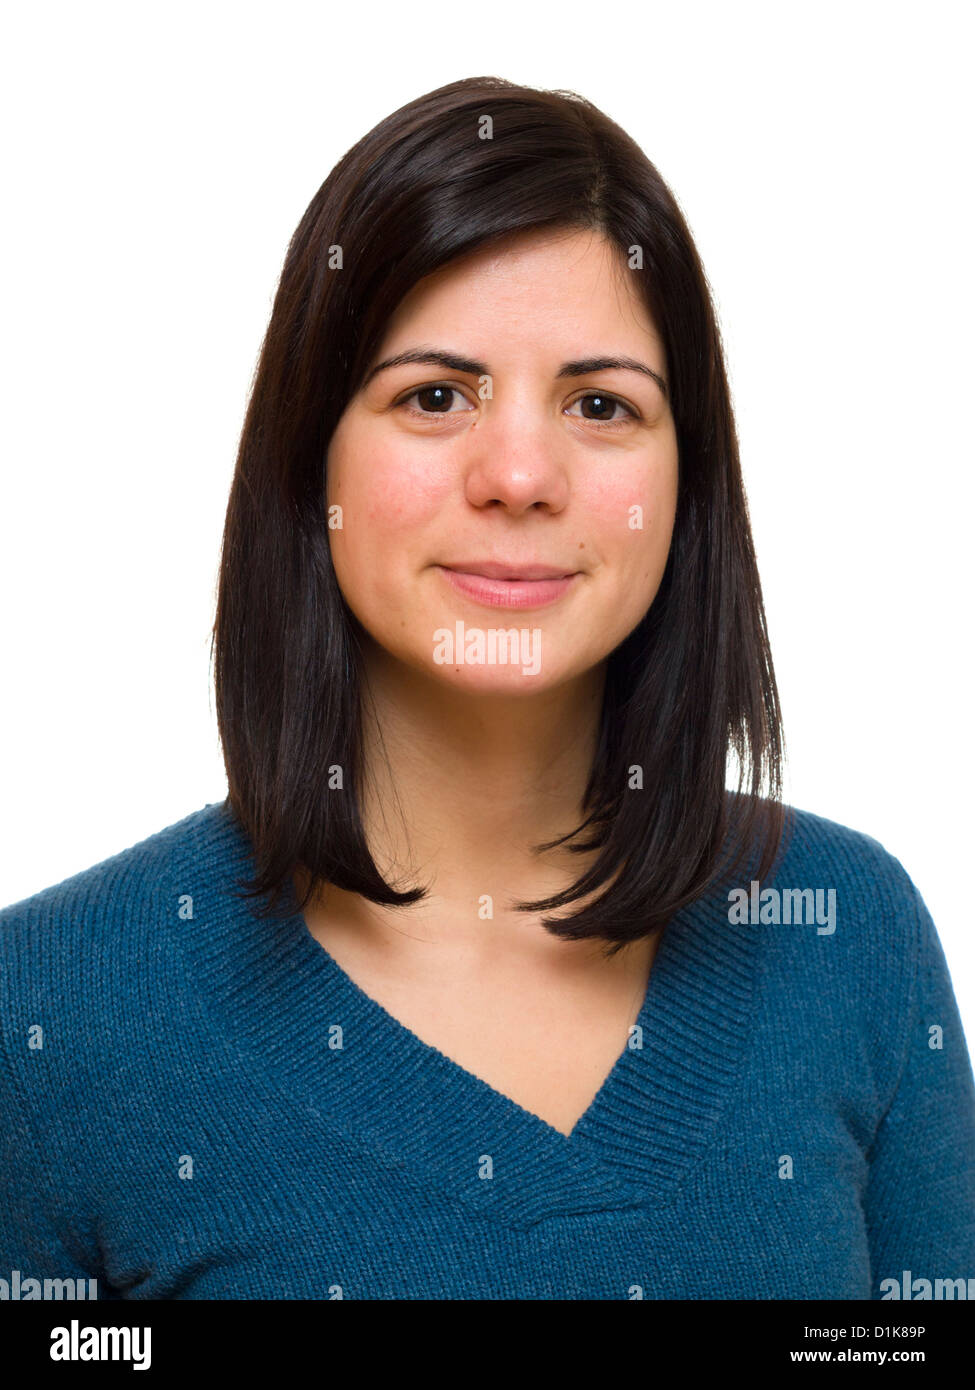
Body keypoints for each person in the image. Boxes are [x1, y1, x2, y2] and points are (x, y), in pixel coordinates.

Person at [1, 75, 973, 1301]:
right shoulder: (44, 1015)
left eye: (601, 403)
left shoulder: (850, 933)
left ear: (688, 485)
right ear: (309, 462)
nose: (519, 473)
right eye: (435, 396)